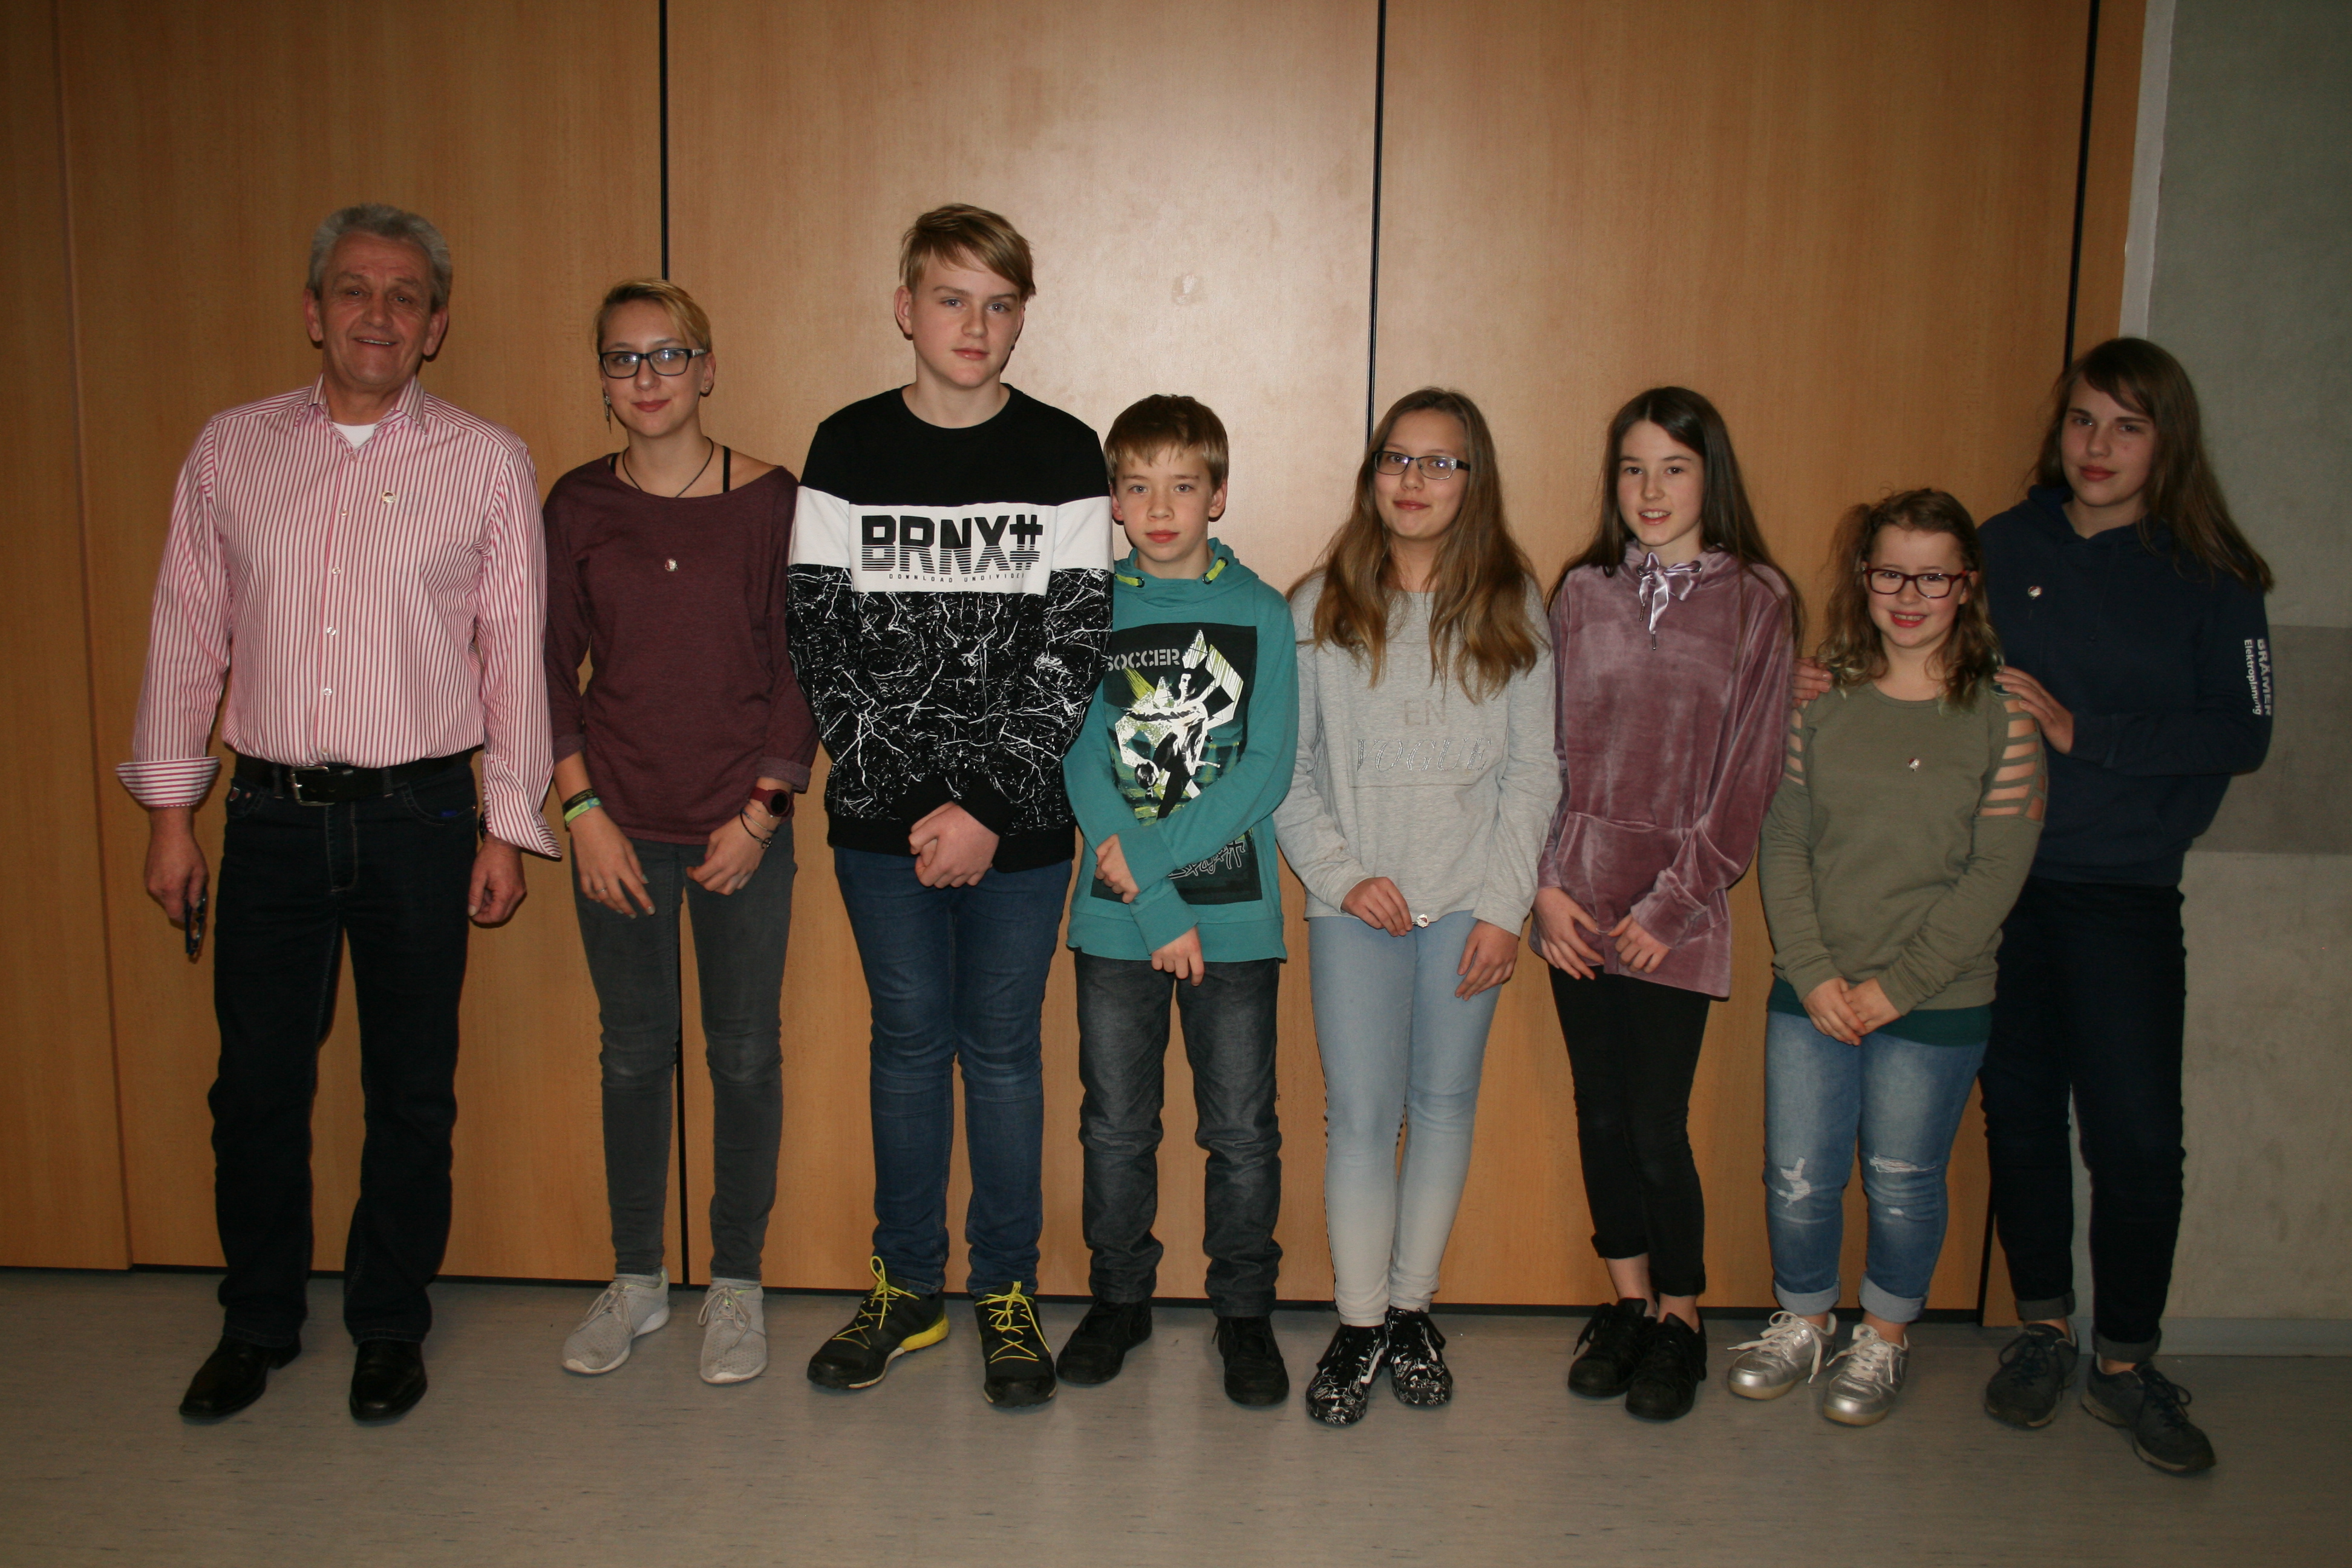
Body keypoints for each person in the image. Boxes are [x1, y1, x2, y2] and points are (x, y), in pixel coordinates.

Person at [122, 204, 555, 1424]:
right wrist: (170, 814)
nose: (379, 313)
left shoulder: (486, 460)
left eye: (406, 295)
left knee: (411, 1090)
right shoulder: (232, 450)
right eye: (355, 290)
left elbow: (512, 655)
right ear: (314, 313)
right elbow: (184, 633)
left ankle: (388, 1324)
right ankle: (257, 1320)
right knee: (255, 1088)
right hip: (268, 818)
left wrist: (505, 827)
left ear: (436, 326)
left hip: (422, 818)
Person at [1799, 339, 2259, 1475]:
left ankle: (2128, 1359)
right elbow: (1913, 646)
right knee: (2020, 1120)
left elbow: (2242, 731)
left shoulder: (2212, 573)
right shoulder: (2002, 547)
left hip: (2119, 889)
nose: (2098, 446)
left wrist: (2083, 732)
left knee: (2137, 1136)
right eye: (2084, 420)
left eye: (2128, 427)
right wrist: (1831, 681)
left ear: (2167, 443)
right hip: (1985, 895)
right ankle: (2044, 1330)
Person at [788, 205, 1111, 1408]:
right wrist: (924, 802)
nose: (975, 325)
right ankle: (908, 1288)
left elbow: (1074, 644)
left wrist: (982, 807)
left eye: (999, 303)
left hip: (1019, 830)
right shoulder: (848, 445)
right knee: (910, 1049)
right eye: (951, 298)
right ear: (905, 308)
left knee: (1006, 1055)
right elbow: (817, 638)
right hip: (882, 827)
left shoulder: (1065, 453)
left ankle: (1006, 1293)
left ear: (1022, 318)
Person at [543, 279, 817, 1386]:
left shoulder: (773, 500)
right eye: (623, 358)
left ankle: (737, 1283)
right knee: (630, 1053)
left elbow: (803, 668)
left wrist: (762, 813)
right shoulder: (576, 504)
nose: (647, 377)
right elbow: (542, 668)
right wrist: (581, 813)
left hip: (739, 826)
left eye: (669, 354)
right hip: (616, 824)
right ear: (603, 382)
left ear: (708, 369)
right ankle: (639, 1279)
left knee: (744, 1053)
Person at [1274, 388, 1558, 1427]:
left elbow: (1534, 773)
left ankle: (1410, 1312)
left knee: (1441, 1109)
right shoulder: (1320, 607)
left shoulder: (1512, 603)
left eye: (1440, 463)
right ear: (1373, 473)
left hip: (1470, 910)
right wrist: (1342, 875)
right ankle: (1357, 1324)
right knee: (1360, 1116)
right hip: (1356, 911)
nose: (1414, 480)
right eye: (1398, 458)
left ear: (1473, 482)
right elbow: (1286, 772)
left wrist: (1505, 909)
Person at [1737, 489, 2043, 1426]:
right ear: (1863, 577)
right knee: (1797, 1175)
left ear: (1967, 585)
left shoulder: (2002, 715)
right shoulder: (1821, 701)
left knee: (1904, 1181)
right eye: (1890, 573)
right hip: (1814, 991)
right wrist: (1813, 972)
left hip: (1936, 1000)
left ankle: (1885, 1337)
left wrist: (1897, 988)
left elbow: (1995, 876)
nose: (1909, 597)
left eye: (1933, 577)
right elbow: (1784, 840)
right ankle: (1804, 1321)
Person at [1533, 386, 1796, 1422]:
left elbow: (1750, 775)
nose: (1650, 490)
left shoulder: (1758, 601)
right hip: (1576, 902)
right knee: (1599, 1115)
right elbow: (1541, 752)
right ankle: (1629, 1306)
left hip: (1675, 911)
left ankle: (1684, 1318)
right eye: (1634, 469)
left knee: (1655, 1124)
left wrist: (1673, 903)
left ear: (1708, 477)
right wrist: (1546, 887)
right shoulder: (1580, 591)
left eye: (1674, 469)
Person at [1055, 394, 1298, 1408]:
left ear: (1218, 496)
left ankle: (1244, 1312)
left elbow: (1265, 772)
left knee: (1240, 1130)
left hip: (1234, 922)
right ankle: (1119, 1300)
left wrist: (1155, 869)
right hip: (1118, 924)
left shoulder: (1264, 612)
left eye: (1183, 486)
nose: (1160, 509)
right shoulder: (1087, 612)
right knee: (1116, 1126)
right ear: (1114, 501)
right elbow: (1078, 761)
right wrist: (1156, 905)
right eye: (1139, 487)